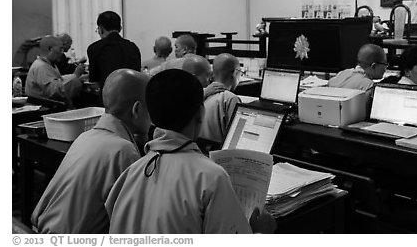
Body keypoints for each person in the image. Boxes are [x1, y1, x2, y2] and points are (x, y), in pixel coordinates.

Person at [105, 69, 276, 234]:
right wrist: (261, 232)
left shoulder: (130, 173)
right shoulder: (211, 177)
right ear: (201, 114)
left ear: (150, 115)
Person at [31, 69, 151, 234]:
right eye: (151, 106)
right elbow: (131, 223)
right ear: (136, 109)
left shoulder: (85, 137)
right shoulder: (124, 151)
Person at [87, 11, 141, 92]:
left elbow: (94, 81)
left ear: (101, 28)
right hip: (132, 97)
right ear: (120, 28)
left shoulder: (94, 48)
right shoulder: (133, 47)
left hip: (107, 98)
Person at [24, 35, 86, 103]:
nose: (62, 52)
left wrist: (75, 76)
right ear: (50, 49)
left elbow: (58, 80)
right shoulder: (41, 67)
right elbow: (54, 92)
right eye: (60, 49)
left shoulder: (48, 64)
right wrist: (75, 77)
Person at [199, 53, 242, 145]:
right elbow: (236, 138)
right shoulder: (231, 99)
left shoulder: (200, 94)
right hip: (220, 154)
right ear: (235, 73)